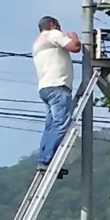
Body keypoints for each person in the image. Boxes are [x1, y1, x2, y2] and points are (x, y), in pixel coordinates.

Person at [33, 15, 81, 171]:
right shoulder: (53, 34)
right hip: (58, 86)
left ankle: (44, 159)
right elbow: (74, 47)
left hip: (45, 87)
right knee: (61, 125)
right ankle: (48, 160)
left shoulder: (37, 43)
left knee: (50, 126)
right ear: (53, 24)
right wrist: (74, 37)